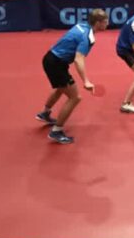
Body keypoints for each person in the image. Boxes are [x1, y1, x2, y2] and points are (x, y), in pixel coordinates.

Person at [36, 9, 108, 144]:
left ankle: (45, 113)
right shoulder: (87, 37)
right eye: (105, 21)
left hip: (50, 58)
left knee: (60, 88)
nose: (107, 24)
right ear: (98, 23)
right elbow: (78, 59)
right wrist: (86, 81)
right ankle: (56, 131)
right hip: (56, 64)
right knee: (75, 97)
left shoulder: (80, 25)